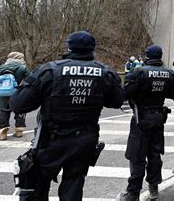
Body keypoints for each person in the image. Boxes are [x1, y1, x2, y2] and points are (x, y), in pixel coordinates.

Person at [10, 31, 124, 200]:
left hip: (51, 140)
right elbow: (116, 101)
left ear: (69, 47)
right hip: (84, 140)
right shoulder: (105, 73)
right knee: (74, 184)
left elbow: (18, 104)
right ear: (92, 49)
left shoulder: (49, 70)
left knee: (37, 185)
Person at [119, 45, 174, 201]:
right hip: (159, 117)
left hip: (142, 118)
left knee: (137, 156)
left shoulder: (138, 72)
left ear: (146, 56)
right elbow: (173, 94)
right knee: (154, 154)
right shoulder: (170, 73)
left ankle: (133, 193)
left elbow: (125, 94)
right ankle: (154, 189)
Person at [0, 52, 31, 140]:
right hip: (18, 93)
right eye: (22, 58)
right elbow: (30, 79)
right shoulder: (23, 68)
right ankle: (19, 130)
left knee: (4, 111)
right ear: (19, 59)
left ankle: (2, 132)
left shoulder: (2, 68)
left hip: (3, 94)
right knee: (20, 110)